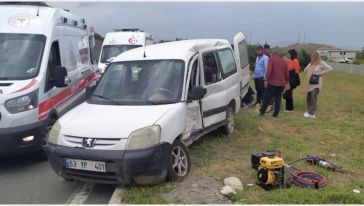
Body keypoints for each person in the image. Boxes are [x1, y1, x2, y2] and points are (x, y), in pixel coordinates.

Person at [260, 48, 289, 117]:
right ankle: (275, 114)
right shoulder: (284, 62)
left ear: (272, 54)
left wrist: (266, 79)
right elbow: (287, 74)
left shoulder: (271, 60)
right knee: (278, 99)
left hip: (272, 83)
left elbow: (269, 71)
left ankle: (262, 112)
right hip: (281, 83)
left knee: (267, 98)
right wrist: (287, 82)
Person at [303, 51, 333, 119]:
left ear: (318, 56)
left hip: (317, 83)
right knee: (308, 97)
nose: (314, 56)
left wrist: (321, 73)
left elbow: (330, 69)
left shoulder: (321, 63)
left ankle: (312, 114)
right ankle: (309, 111)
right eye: (313, 55)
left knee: (313, 97)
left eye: (316, 55)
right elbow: (305, 71)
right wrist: (310, 64)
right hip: (309, 82)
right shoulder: (311, 63)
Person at [253, 44, 269, 110]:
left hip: (261, 77)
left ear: (262, 50)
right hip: (256, 77)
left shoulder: (265, 58)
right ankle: (258, 102)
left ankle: (263, 103)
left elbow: (266, 69)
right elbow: (256, 67)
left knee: (262, 91)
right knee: (258, 90)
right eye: (257, 50)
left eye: (260, 50)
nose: (258, 51)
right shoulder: (257, 58)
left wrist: (265, 79)